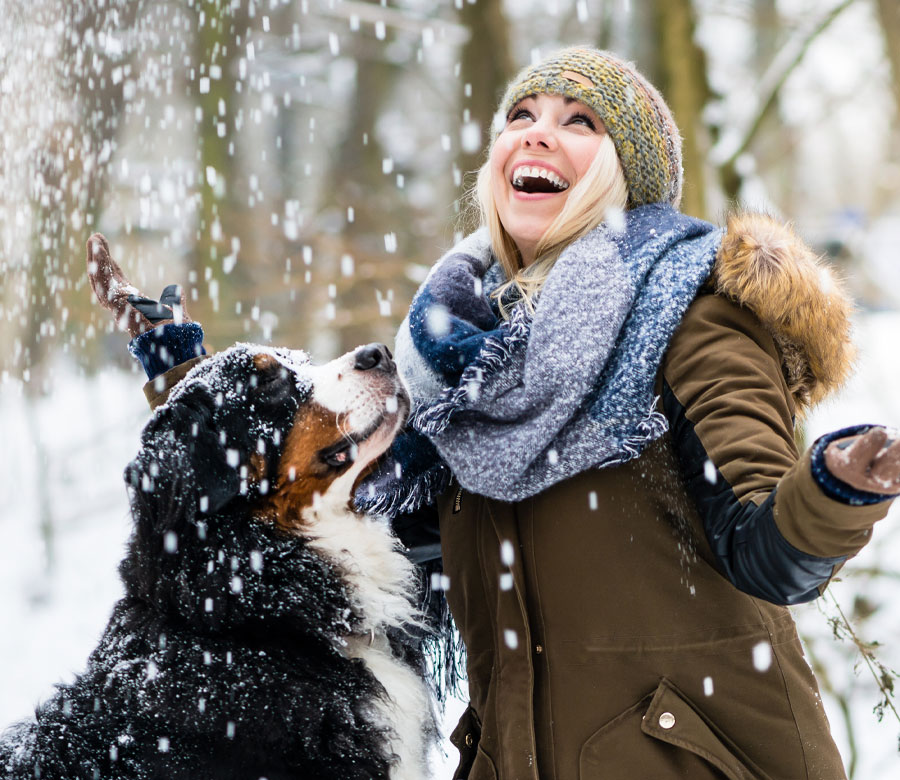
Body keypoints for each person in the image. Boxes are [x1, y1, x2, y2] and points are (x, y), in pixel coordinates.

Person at [89, 48, 900, 780]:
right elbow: (333, 513)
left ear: (624, 176)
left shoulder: (690, 316)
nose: (538, 134)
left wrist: (833, 487)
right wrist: (188, 382)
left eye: (580, 122)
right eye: (522, 116)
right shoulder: (459, 354)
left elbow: (766, 550)